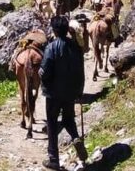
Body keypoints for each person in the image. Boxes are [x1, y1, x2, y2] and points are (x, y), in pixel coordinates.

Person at [39, 16, 88, 170]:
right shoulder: (75, 47)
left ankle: (53, 159)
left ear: (54, 30)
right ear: (67, 29)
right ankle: (75, 137)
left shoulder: (51, 47)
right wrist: (79, 90)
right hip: (71, 92)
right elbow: (81, 71)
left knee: (52, 124)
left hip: (53, 94)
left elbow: (45, 72)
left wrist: (39, 73)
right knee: (68, 119)